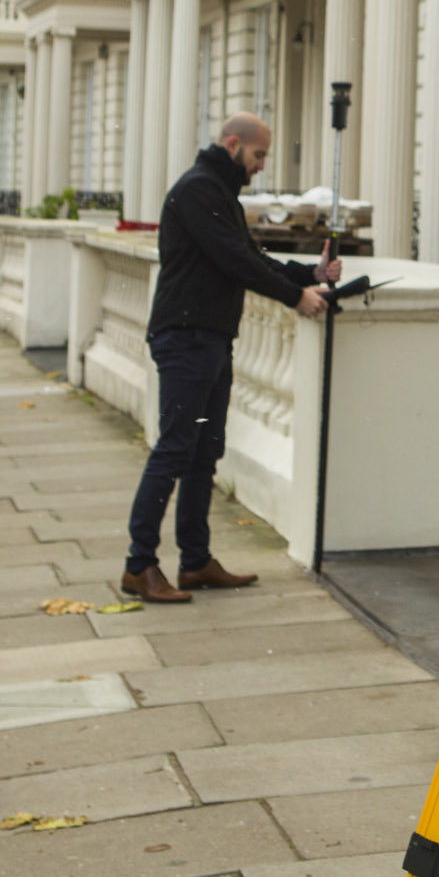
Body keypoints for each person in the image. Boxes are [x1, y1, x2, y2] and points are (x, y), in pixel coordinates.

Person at [120, 111, 341, 604]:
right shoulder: (199, 189)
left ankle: (195, 562)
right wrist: (294, 298)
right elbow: (235, 260)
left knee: (203, 453)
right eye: (259, 155)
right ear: (234, 144)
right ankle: (139, 565)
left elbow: (251, 255)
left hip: (210, 338)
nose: (261, 165)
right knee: (175, 451)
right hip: (186, 338)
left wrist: (310, 272)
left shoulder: (218, 193)